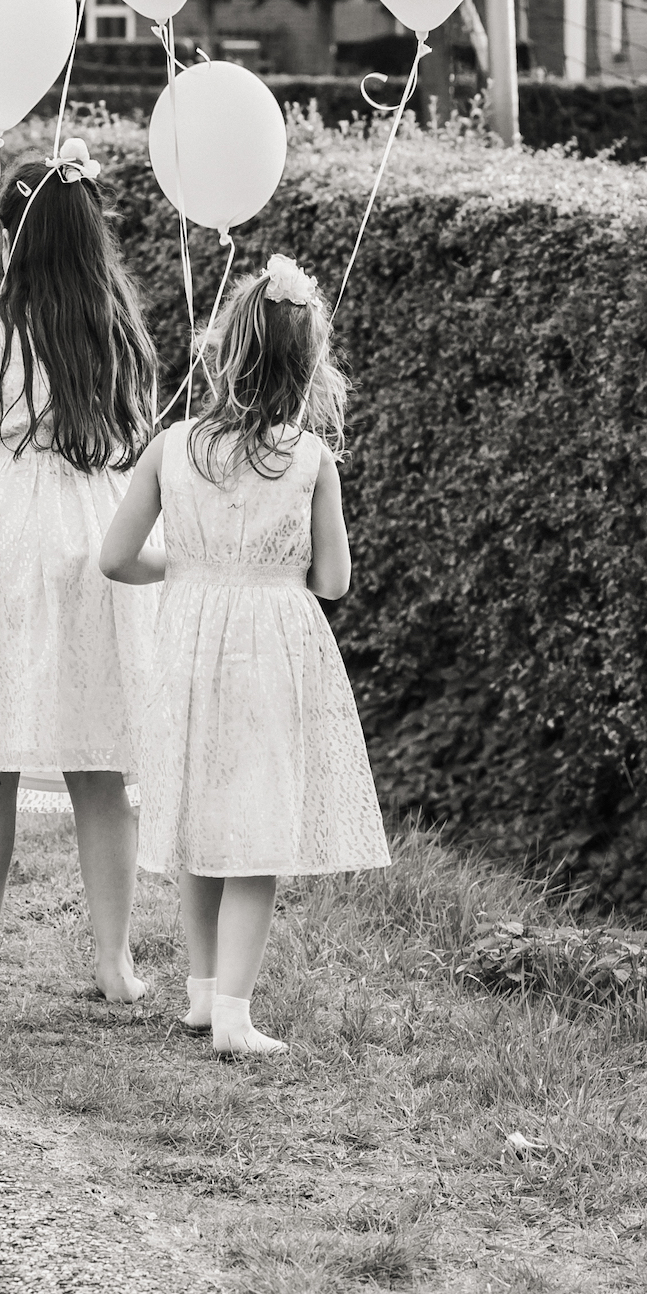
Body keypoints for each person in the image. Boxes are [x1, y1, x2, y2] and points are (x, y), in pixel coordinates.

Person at [99, 251, 390, 1055]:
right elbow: (331, 581)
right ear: (308, 365)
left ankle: (200, 994)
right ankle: (233, 1013)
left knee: (198, 818)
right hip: (269, 650)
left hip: (187, 641)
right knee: (255, 835)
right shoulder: (309, 459)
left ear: (222, 349)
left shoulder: (172, 447)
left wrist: (189, 567)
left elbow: (116, 558)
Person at [0, 136, 158, 1002]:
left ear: (11, 236)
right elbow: (134, 457)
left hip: (2, 545)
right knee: (102, 765)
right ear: (91, 235)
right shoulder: (120, 337)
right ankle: (115, 965)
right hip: (96, 539)